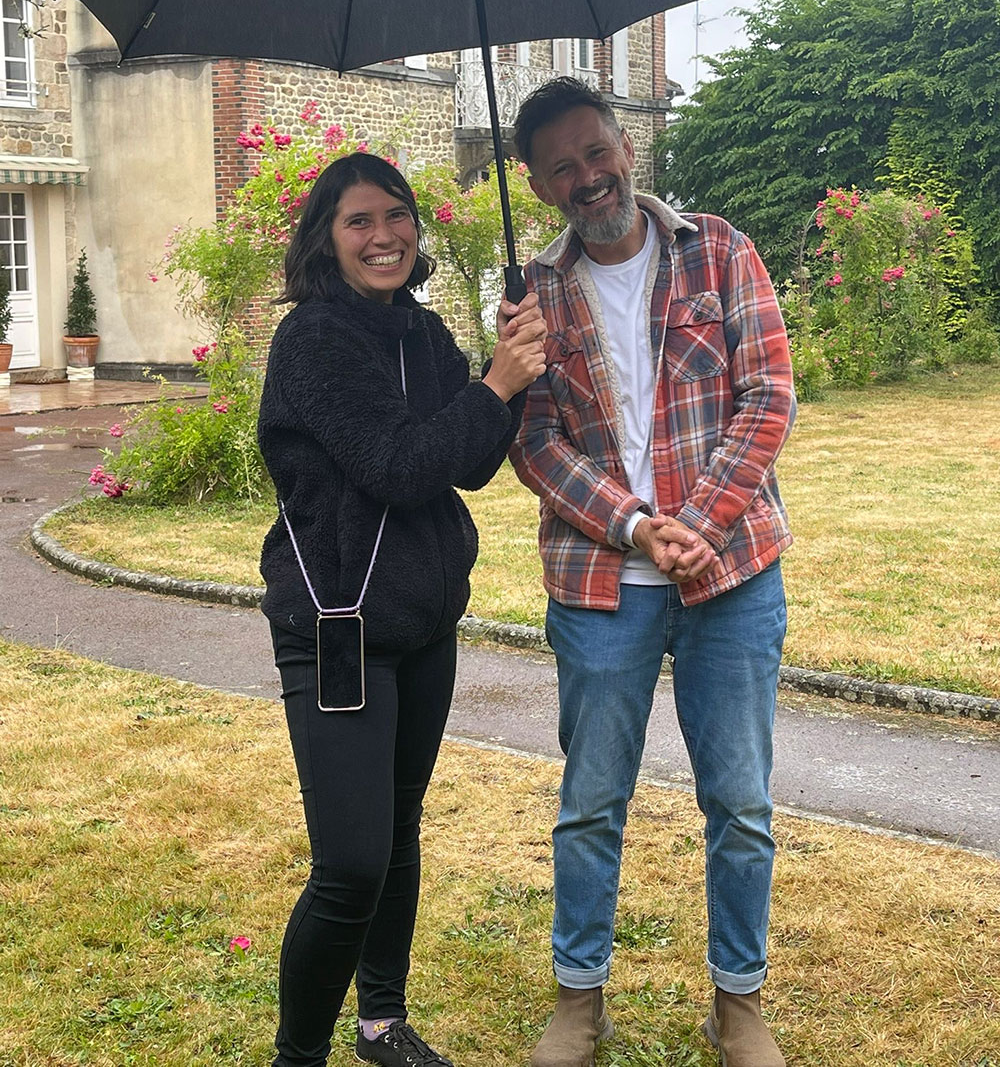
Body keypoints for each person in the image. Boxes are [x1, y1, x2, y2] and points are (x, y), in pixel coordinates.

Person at [508, 78, 796, 1067]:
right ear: (537, 185)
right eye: (563, 167)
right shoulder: (532, 295)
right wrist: (635, 526)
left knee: (741, 802)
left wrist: (699, 524)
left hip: (733, 575)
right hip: (601, 586)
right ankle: (578, 999)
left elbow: (769, 395)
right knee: (590, 801)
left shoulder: (719, 250)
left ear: (625, 146)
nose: (588, 177)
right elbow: (536, 445)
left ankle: (738, 1001)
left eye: (597, 152)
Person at [257, 151, 546, 1067]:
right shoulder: (313, 340)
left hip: (423, 622)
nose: (383, 236)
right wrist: (494, 386)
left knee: (398, 830)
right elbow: (395, 465)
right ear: (327, 237)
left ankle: (381, 1021)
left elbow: (469, 462)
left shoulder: (422, 333)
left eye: (396, 215)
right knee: (350, 864)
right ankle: (298, 1056)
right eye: (359, 220)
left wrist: (505, 373)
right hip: (338, 628)